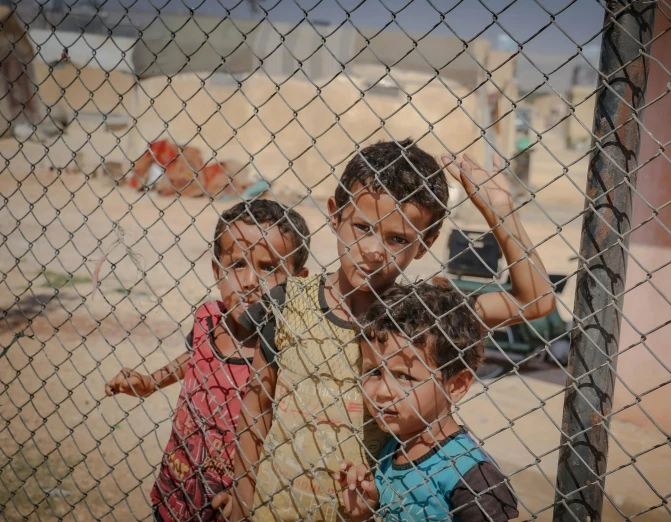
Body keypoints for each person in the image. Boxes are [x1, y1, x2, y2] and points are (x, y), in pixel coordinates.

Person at [213, 138, 554, 522]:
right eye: (362, 226)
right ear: (334, 214)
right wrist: (242, 502)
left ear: (424, 244)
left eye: (397, 239)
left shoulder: (423, 317)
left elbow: (536, 299)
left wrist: (500, 212)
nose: (374, 250)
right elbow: (257, 407)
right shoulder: (287, 301)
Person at [105, 199, 310, 522]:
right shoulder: (209, 319)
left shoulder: (285, 350)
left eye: (268, 267)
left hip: (229, 498)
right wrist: (151, 382)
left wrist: (246, 493)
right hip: (176, 483)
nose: (249, 281)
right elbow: (197, 357)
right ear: (217, 269)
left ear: (298, 281)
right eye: (237, 265)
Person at [336, 283, 520, 522]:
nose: (382, 392)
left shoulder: (472, 477)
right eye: (374, 372)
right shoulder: (392, 447)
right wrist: (365, 513)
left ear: (456, 385)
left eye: (405, 376)